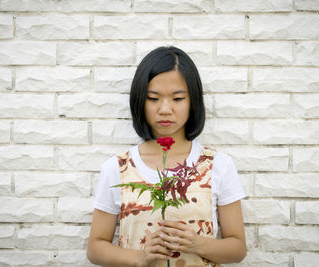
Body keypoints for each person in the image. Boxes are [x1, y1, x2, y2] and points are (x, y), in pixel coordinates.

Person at [87, 46, 247, 267]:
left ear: (192, 103)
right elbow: (96, 247)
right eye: (153, 98)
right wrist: (140, 258)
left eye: (178, 99)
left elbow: (238, 248)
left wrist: (197, 244)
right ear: (140, 101)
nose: (165, 109)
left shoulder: (217, 165)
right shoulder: (118, 168)